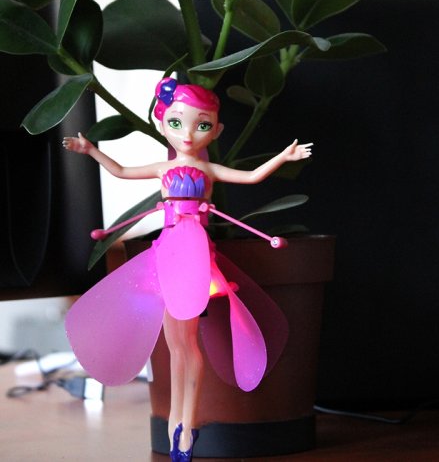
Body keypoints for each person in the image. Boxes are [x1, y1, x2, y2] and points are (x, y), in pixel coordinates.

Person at [62, 77, 312, 461]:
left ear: (217, 130)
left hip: (195, 254)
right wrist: (91, 150)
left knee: (188, 344)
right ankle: (176, 421)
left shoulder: (208, 170)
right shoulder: (163, 168)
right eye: (177, 123)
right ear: (162, 123)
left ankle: (185, 419)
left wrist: (283, 157)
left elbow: (251, 177)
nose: (189, 134)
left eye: (202, 125)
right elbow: (121, 171)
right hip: (168, 253)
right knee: (175, 344)